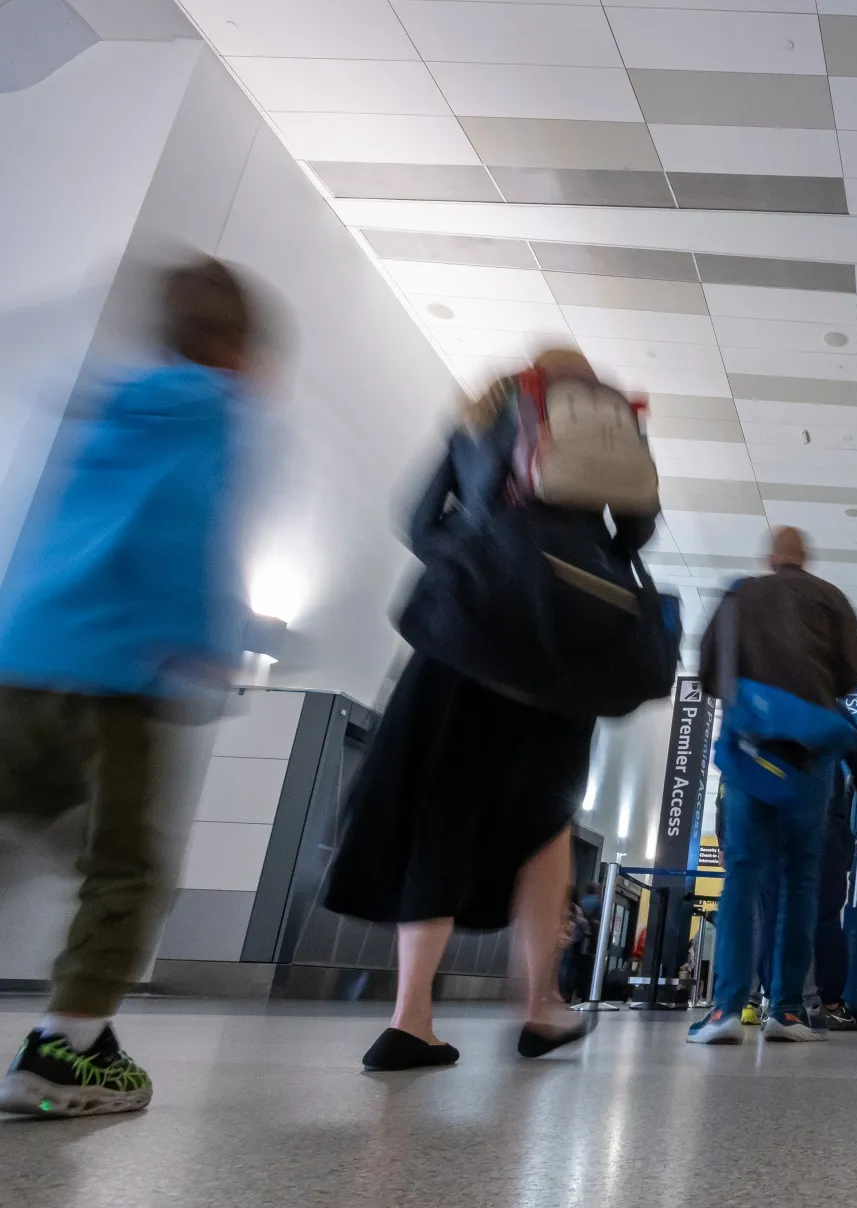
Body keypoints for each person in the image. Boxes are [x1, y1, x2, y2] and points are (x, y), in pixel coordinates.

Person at [323, 347, 638, 1071]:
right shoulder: (608, 423)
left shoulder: (477, 420)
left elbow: (415, 519)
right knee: (545, 823)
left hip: (462, 640)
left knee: (444, 807)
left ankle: (410, 1018)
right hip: (558, 648)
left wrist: (476, 556)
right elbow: (639, 532)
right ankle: (539, 1007)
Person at [0, 260, 259, 1118]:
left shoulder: (108, 399)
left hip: (23, 655)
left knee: (13, 826)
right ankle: (68, 1049)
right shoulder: (214, 409)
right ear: (234, 347)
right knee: (124, 865)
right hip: (116, 673)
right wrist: (208, 643)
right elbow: (183, 525)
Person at [688, 525, 857, 1045]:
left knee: (742, 874)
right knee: (801, 880)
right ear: (805, 558)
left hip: (750, 750)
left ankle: (725, 1011)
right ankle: (786, 1011)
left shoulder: (741, 594)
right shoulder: (831, 598)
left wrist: (747, 696)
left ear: (770, 557)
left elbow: (706, 666)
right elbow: (852, 672)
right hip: (808, 756)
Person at [818, 727, 857, 1032]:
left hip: (778, 830)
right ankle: (830, 1004)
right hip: (826, 831)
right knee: (827, 919)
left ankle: (778, 1005)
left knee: (779, 917)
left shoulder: (765, 703)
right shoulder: (830, 714)